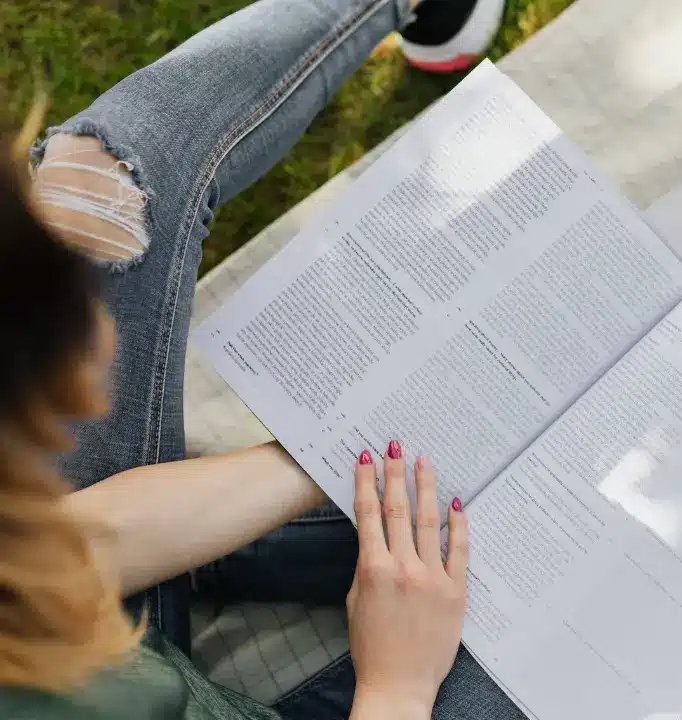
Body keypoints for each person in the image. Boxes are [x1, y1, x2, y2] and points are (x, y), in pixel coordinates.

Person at [0, 0, 527, 718]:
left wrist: (324, 448)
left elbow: (61, 553)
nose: (98, 397)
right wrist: (395, 688)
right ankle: (245, 558)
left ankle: (223, 557)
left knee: (96, 190)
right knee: (572, 587)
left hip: (89, 648)